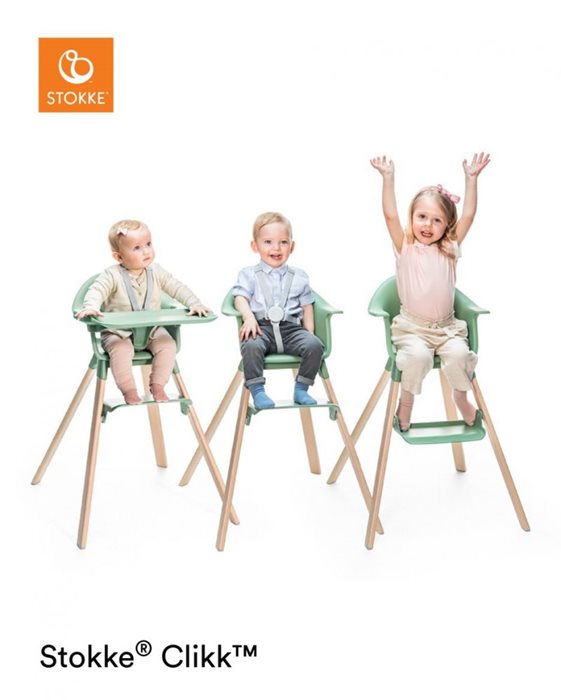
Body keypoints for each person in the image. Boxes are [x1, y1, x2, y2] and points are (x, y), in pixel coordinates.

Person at [370, 153, 490, 431]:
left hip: (448, 329)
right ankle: (406, 403)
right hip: (412, 329)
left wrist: (471, 179)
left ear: (447, 226)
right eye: (422, 217)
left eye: (437, 220)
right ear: (412, 218)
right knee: (418, 358)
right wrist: (388, 177)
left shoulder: (449, 248)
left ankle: (460, 398)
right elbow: (390, 215)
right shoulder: (405, 247)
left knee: (459, 356)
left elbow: (468, 215)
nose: (427, 225)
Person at [75, 219, 211, 404]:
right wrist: (91, 306)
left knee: (168, 345)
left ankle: (158, 385)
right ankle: (129, 390)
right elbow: (97, 290)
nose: (146, 251)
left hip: (151, 330)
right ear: (119, 257)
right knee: (121, 350)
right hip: (118, 332)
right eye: (137, 248)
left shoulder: (156, 272)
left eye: (148, 244)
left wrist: (195, 303)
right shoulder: (111, 275)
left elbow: (177, 287)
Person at [232, 212, 324, 410]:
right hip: (261, 327)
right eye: (268, 242)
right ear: (255, 246)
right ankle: (257, 391)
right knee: (251, 346)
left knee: (315, 345)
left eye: (283, 242)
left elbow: (307, 306)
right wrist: (248, 318)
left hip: (291, 329)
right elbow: (240, 298)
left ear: (292, 246)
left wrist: (309, 332)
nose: (276, 248)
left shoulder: (300, 276)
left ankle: (302, 389)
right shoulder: (248, 274)